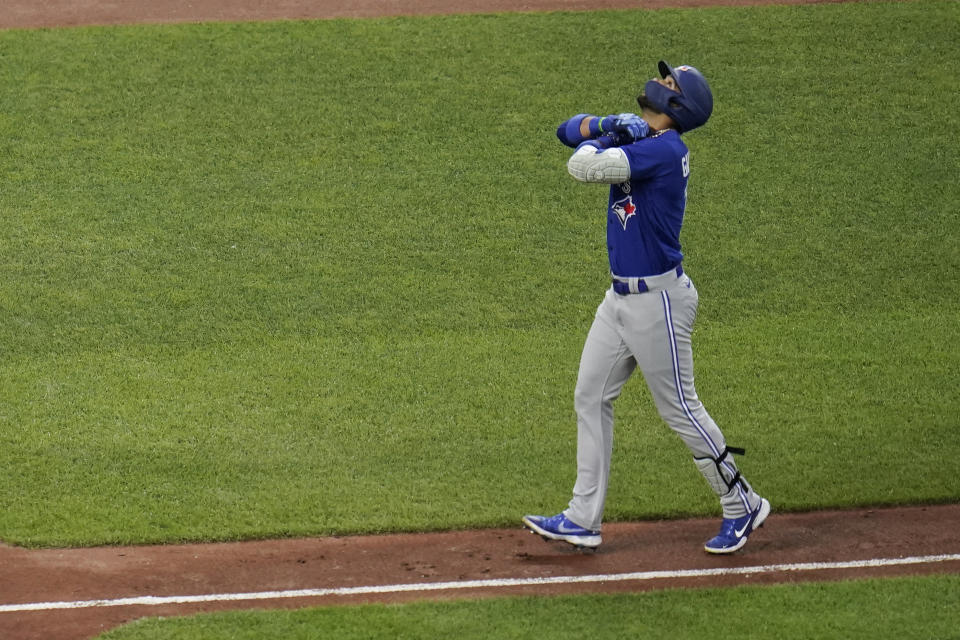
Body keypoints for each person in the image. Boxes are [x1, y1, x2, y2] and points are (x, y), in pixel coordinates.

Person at [522, 61, 769, 554]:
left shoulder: (663, 148)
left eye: (670, 83)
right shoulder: (641, 140)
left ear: (679, 105)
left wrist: (609, 137)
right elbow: (564, 131)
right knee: (590, 398)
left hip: (658, 301)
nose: (658, 84)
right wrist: (607, 125)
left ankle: (742, 501)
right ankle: (581, 518)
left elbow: (581, 166)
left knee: (680, 408)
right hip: (619, 301)